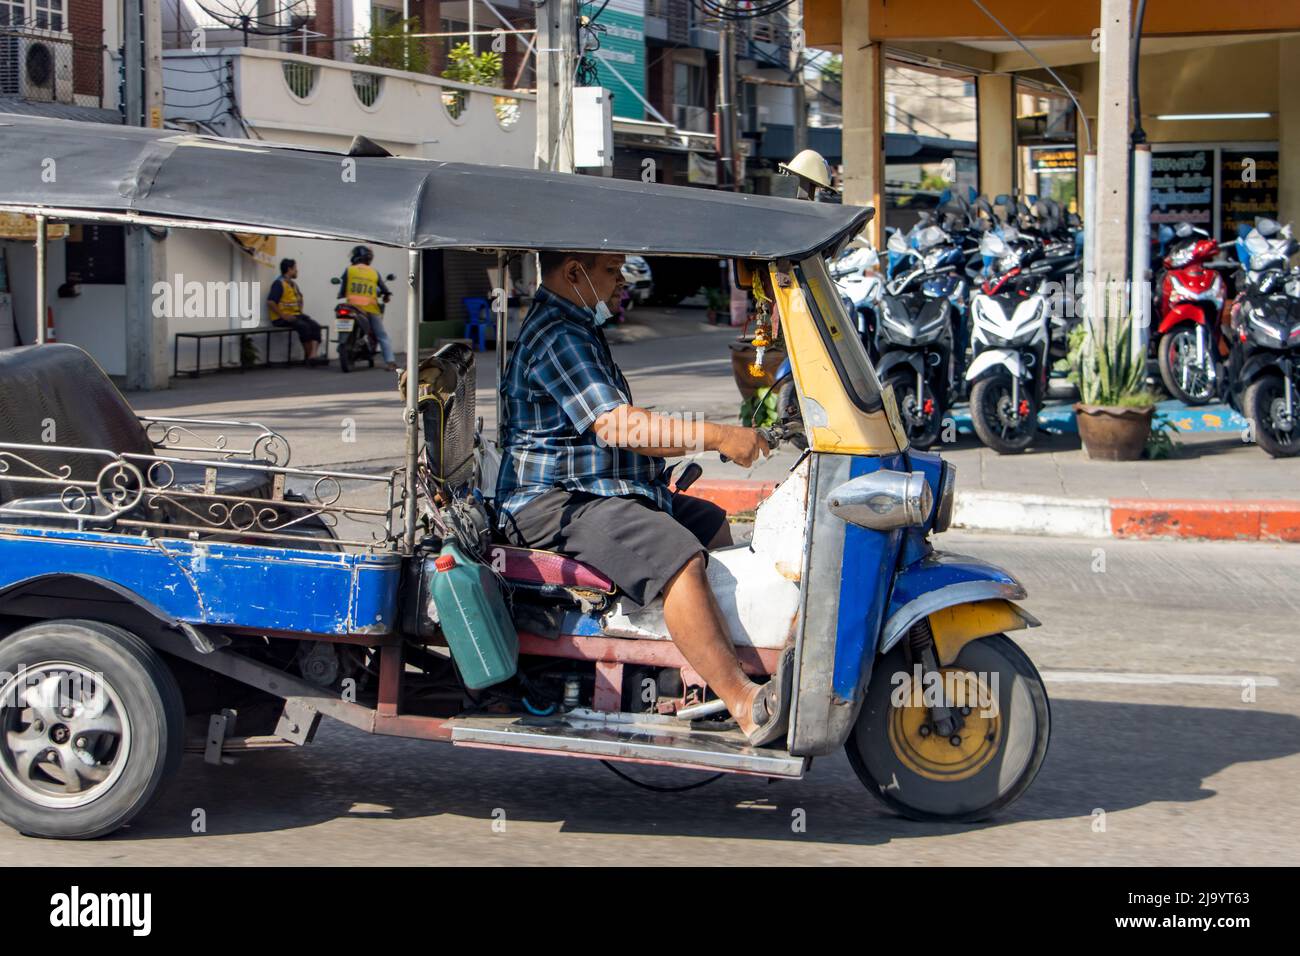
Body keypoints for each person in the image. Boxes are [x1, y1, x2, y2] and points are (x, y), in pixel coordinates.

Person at [496, 251, 793, 746]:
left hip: (599, 489)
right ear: (574, 273)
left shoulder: (578, 327)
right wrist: (718, 436)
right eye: (611, 272)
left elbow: (620, 421)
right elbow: (620, 426)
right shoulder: (559, 335)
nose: (621, 284)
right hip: (552, 503)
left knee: (710, 523)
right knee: (678, 559)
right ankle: (742, 700)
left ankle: (710, 670)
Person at [337, 246, 396, 371]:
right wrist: (386, 295)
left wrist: (341, 295)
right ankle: (390, 362)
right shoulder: (374, 272)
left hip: (352, 307)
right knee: (381, 335)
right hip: (370, 309)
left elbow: (342, 289)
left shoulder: (349, 270)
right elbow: (384, 289)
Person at [266, 258, 325, 364]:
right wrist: (283, 316)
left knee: (315, 326)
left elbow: (300, 298)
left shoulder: (293, 284)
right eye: (295, 268)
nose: (297, 271)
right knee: (304, 327)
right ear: (289, 269)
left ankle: (313, 355)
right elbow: (271, 302)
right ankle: (309, 356)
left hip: (296, 315)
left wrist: (300, 311)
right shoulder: (279, 284)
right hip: (280, 319)